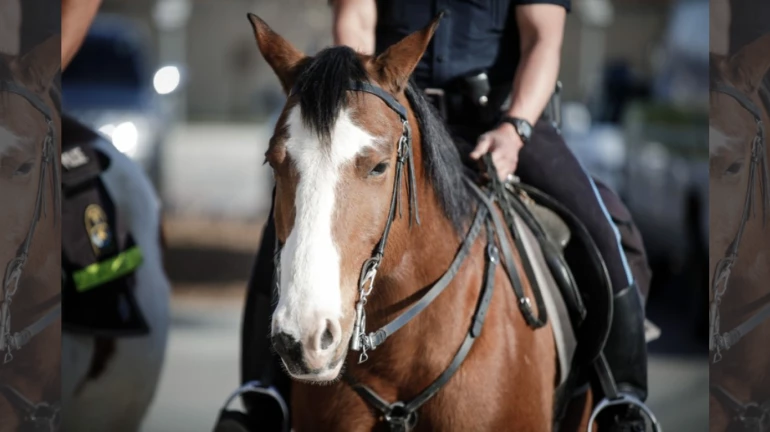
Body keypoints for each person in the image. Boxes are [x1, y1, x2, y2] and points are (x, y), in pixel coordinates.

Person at [239, 1, 653, 430]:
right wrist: (356, 100)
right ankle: (261, 397)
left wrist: (515, 128)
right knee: (286, 228)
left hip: (502, 121)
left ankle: (622, 402)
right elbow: (356, 19)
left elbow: (542, 42)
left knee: (600, 225)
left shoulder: (513, 123)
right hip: (385, 113)